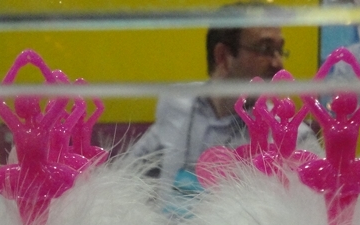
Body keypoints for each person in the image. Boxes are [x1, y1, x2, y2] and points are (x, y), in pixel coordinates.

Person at [128, 7, 321, 214]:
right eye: (265, 49)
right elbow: (130, 173)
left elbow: (320, 211)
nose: (278, 63)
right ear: (223, 56)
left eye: (279, 50)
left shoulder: (294, 138)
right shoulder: (176, 103)